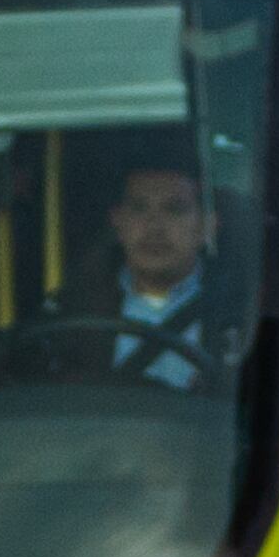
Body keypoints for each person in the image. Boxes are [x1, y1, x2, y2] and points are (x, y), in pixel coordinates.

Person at [96, 139, 225, 390]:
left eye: (174, 210)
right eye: (139, 208)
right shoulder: (77, 309)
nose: (154, 227)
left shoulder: (238, 313)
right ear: (118, 221)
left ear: (207, 226)